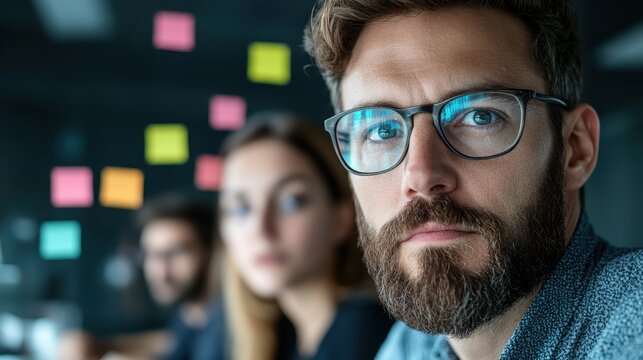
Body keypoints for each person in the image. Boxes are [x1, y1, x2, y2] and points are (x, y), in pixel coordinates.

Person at [303, 1, 643, 359]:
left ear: (574, 149)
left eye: (480, 116)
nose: (420, 175)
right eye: (380, 131)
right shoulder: (408, 348)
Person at [217, 113, 394, 360]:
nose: (261, 229)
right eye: (240, 209)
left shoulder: (364, 333)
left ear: (342, 218)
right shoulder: (284, 337)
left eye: (291, 201)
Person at [58, 195, 225, 360]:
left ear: (212, 252)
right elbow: (168, 342)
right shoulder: (192, 314)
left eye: (176, 253)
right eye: (151, 254)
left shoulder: (229, 322)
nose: (161, 272)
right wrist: (99, 345)